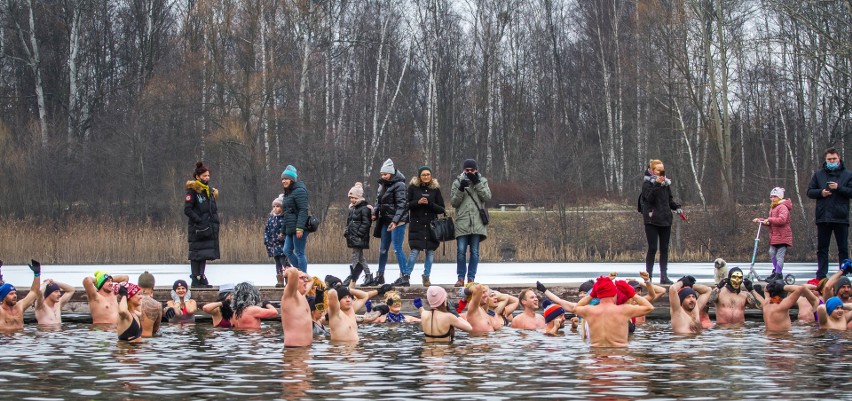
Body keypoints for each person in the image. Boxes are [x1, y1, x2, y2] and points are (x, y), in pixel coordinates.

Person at [807, 147, 852, 279]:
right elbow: (809, 191)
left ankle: (844, 273)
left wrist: (839, 188)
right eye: (829, 159)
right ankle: (821, 274)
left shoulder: (847, 175)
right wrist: (821, 192)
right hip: (823, 217)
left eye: (834, 159)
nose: (831, 161)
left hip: (841, 217)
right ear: (825, 160)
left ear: (839, 159)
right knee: (822, 248)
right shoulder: (818, 174)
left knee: (843, 248)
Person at [574, 276, 655, 347]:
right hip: (618, 356)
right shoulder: (624, 310)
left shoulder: (590, 311)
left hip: (596, 358)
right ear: (614, 294)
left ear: (598, 294)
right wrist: (632, 294)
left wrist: (592, 294)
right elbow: (649, 307)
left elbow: (576, 308)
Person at [640, 159, 683, 284]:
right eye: (659, 170)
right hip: (651, 219)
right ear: (652, 171)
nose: (661, 173)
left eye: (663, 170)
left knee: (664, 248)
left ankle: (664, 276)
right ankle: (649, 277)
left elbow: (669, 201)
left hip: (665, 219)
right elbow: (649, 198)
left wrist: (677, 207)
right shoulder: (647, 184)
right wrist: (657, 184)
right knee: (652, 248)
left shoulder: (666, 185)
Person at [450, 159, 492, 286]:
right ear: (463, 170)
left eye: (471, 170)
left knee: (474, 251)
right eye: (467, 170)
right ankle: (460, 278)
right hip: (462, 221)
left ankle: (471, 278)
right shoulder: (457, 182)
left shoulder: (482, 181)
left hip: (477, 222)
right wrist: (461, 189)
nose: (469, 172)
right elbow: (454, 202)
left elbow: (487, 197)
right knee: (461, 251)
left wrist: (477, 183)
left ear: (476, 170)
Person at [405, 166, 446, 287]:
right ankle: (406, 275)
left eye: (428, 174)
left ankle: (426, 276)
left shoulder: (435, 189)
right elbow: (406, 205)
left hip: (431, 225)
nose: (426, 176)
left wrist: (429, 204)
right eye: (423, 174)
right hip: (416, 225)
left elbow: (441, 208)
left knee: (430, 252)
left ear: (431, 176)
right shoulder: (412, 188)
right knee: (414, 251)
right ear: (419, 176)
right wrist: (418, 202)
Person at [369, 158, 408, 286]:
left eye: (385, 174)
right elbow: (378, 202)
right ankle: (380, 275)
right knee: (383, 249)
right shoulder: (382, 185)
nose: (383, 176)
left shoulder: (400, 185)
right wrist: (375, 212)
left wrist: (395, 221)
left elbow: (402, 205)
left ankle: (404, 276)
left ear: (391, 173)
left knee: (397, 248)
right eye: (382, 174)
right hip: (385, 221)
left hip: (398, 221)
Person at [185, 161, 220, 288]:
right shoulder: (192, 191)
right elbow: (187, 209)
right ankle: (195, 277)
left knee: (205, 253)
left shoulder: (209, 191)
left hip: (208, 227)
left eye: (208, 176)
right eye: (204, 176)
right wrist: (199, 220)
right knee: (196, 254)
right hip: (197, 228)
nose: (207, 178)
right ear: (197, 176)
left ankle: (202, 275)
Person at [752, 187, 793, 282]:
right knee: (771, 252)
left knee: (779, 255)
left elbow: (782, 220)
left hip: (783, 236)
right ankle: (776, 271)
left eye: (774, 196)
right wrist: (761, 220)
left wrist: (769, 220)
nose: (772, 198)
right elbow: (771, 222)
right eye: (771, 197)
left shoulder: (783, 207)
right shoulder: (773, 207)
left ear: (779, 197)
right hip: (775, 236)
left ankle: (778, 274)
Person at [280, 164, 310, 272]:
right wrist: (282, 230)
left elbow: (303, 210)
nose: (284, 181)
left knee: (299, 252)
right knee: (286, 250)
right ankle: (300, 272)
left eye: (286, 179)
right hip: (290, 228)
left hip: (299, 228)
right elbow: (286, 213)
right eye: (283, 179)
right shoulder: (288, 193)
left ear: (292, 179)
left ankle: (303, 276)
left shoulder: (300, 191)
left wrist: (300, 228)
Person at [343, 182, 373, 286]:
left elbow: (366, 223)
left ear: (359, 198)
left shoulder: (364, 209)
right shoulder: (352, 209)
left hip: (359, 237)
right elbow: (349, 222)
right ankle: (368, 275)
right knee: (360, 258)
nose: (353, 200)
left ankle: (353, 277)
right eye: (351, 198)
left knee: (355, 257)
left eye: (355, 198)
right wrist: (346, 231)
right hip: (353, 236)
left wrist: (359, 234)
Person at [0, 260, 41, 331]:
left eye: (15, 293)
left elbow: (34, 292)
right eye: (11, 294)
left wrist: (37, 274)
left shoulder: (19, 307)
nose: (15, 295)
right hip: (4, 340)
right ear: (3, 297)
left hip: (20, 339)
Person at [281, 266, 313, 347]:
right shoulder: (290, 294)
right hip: (294, 350)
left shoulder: (302, 296)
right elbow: (292, 271)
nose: (306, 280)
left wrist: (303, 274)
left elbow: (311, 280)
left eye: (305, 278)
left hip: (306, 350)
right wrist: (287, 272)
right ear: (294, 280)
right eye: (302, 278)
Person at [264, 195, 289, 287]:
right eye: (274, 206)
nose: (275, 208)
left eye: (277, 206)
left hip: (282, 245)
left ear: (282, 208)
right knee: (277, 262)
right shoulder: (271, 219)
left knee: (284, 262)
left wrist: (283, 237)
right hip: (273, 245)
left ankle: (288, 279)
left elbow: (288, 231)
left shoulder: (284, 219)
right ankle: (280, 280)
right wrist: (266, 240)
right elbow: (266, 230)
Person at [137, 271, 162, 337]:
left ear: (138, 285)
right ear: (153, 286)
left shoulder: (131, 301)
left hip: (132, 341)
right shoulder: (157, 305)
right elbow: (156, 329)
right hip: (148, 341)